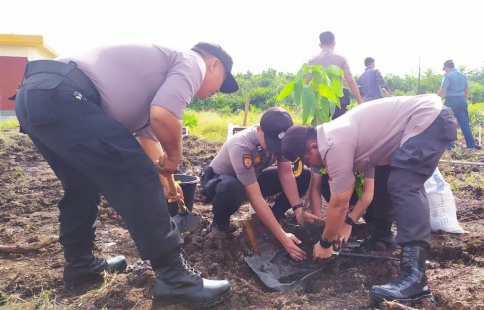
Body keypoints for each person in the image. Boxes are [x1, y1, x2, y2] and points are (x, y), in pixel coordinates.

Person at [13, 41, 239, 307]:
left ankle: (80, 265)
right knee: (137, 175)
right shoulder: (193, 63)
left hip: (35, 96)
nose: (217, 92)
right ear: (213, 64)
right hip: (65, 95)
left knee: (81, 187)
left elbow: (147, 140)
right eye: (221, 82)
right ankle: (176, 279)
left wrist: (167, 180)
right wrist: (174, 158)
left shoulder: (154, 81)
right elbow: (163, 116)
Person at [281, 94, 457, 306]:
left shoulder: (332, 142)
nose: (311, 166)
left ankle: (415, 280)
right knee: (392, 177)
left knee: (404, 184)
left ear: (312, 146)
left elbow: (339, 203)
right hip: (420, 121)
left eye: (307, 161)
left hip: (427, 119)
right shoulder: (334, 134)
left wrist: (325, 242)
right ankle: (383, 234)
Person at [200, 107, 320, 260]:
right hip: (220, 183)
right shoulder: (241, 145)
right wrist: (282, 237)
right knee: (231, 188)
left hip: (252, 179)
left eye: (278, 146)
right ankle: (220, 224)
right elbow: (255, 197)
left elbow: (286, 173)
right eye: (270, 145)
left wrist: (297, 208)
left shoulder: (282, 142)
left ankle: (274, 217)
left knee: (302, 175)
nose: (273, 150)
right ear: (259, 130)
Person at [308, 31, 363, 119]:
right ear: (334, 43)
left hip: (320, 101)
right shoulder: (341, 59)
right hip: (337, 101)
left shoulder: (312, 61)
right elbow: (350, 81)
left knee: (320, 130)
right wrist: (360, 102)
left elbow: (306, 82)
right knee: (339, 129)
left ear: (320, 45)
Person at [437, 59, 478, 149]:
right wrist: (463, 99)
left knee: (448, 123)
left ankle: (449, 147)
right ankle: (471, 146)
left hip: (451, 101)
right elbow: (466, 91)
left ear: (447, 67)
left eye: (445, 69)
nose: (445, 70)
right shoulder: (463, 76)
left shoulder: (448, 76)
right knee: (465, 125)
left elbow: (443, 90)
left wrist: (435, 99)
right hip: (462, 101)